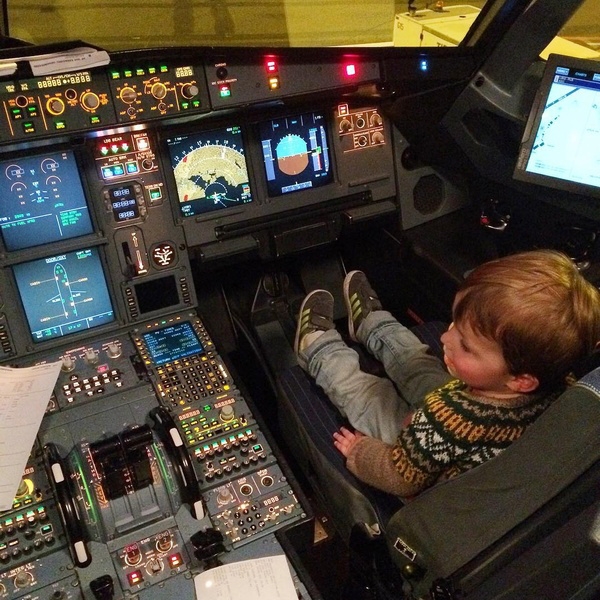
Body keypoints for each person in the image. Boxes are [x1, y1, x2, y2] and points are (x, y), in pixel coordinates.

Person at [293, 249, 600, 498]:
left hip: (423, 472)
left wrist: (360, 452)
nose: (444, 338)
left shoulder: (444, 419)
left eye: (465, 345)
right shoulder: (564, 385)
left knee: (370, 398)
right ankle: (374, 325)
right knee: (421, 364)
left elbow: (400, 478)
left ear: (521, 380)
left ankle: (319, 350)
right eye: (454, 323)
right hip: (462, 427)